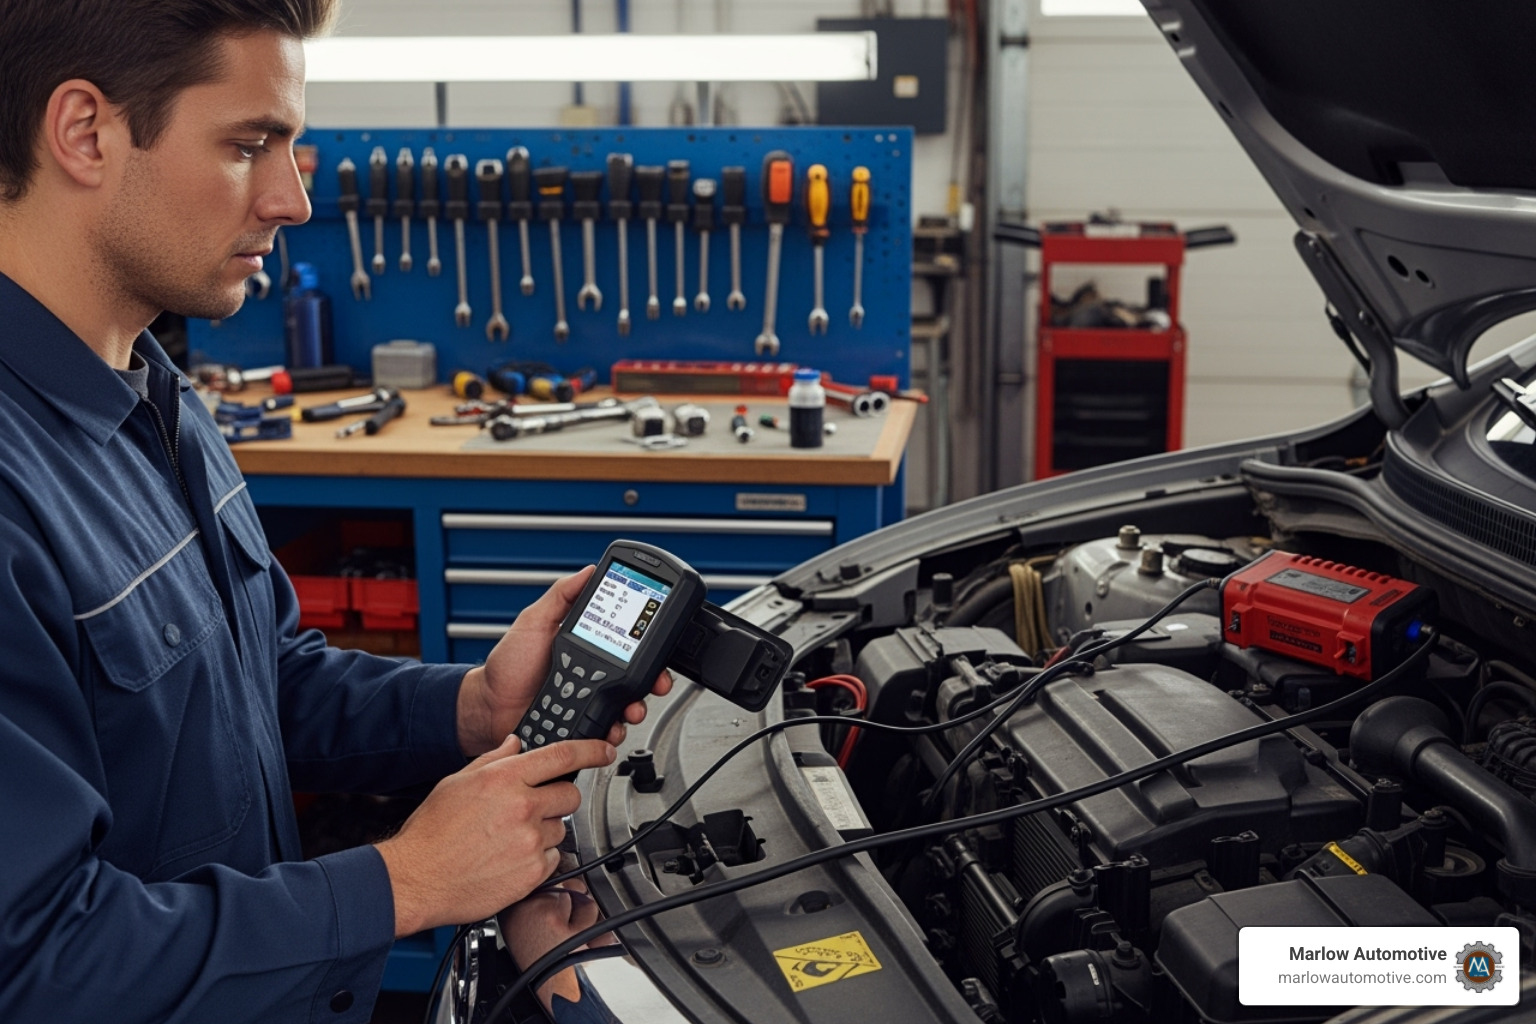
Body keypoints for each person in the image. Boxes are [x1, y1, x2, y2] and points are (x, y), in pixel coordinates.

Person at [0, 2, 668, 1021]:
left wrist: (472, 705)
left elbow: (260, 682)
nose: (292, 198)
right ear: (85, 132)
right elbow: (37, 963)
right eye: (249, 145)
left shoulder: (155, 390)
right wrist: (404, 881)